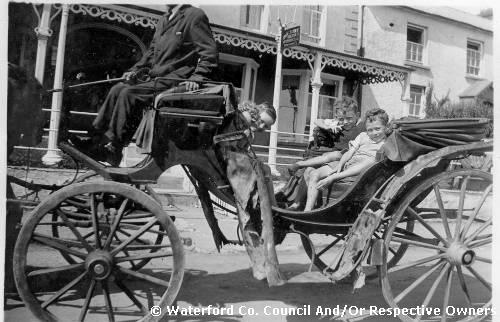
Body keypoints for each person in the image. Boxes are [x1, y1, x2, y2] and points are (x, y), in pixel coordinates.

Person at [72, 4, 218, 166]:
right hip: (156, 79)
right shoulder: (164, 19)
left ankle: (114, 147)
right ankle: (96, 139)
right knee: (117, 89)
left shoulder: (194, 16)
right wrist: (136, 69)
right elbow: (151, 52)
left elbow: (209, 53)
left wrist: (197, 77)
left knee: (130, 93)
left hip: (175, 79)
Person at [292, 108, 389, 211]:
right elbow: (349, 152)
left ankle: (333, 179)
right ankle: (308, 210)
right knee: (314, 174)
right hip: (349, 163)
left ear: (385, 127)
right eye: (370, 130)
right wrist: (340, 165)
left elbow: (367, 164)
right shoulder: (363, 136)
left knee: (371, 160)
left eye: (378, 129)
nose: (374, 133)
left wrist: (334, 176)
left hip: (362, 170)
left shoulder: (386, 143)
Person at [287, 98, 364, 176]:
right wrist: (327, 127)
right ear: (337, 116)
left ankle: (301, 164)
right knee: (309, 171)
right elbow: (317, 121)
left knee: (334, 156)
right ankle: (300, 166)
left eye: (349, 118)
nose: (345, 122)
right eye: (341, 119)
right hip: (333, 154)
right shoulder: (336, 123)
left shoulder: (362, 127)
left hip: (348, 157)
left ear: (357, 115)